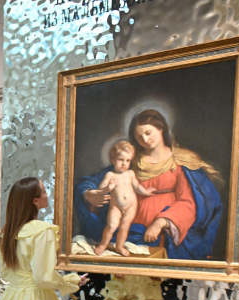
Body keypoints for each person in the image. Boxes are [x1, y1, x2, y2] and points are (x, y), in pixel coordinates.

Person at [76, 109, 223, 260]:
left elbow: (189, 201)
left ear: (161, 129)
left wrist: (162, 222)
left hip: (163, 232)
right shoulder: (130, 160)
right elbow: (97, 180)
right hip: (130, 230)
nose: (145, 139)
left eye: (148, 133)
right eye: (139, 137)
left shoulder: (182, 160)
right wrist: (89, 194)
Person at [93, 141, 154, 256]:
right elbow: (100, 190)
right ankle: (103, 245)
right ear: (112, 159)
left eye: (128, 160)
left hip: (131, 205)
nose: (124, 164)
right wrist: (108, 188)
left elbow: (137, 186)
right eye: (121, 160)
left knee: (125, 226)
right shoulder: (110, 175)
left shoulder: (130, 173)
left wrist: (145, 192)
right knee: (111, 226)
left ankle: (119, 246)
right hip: (116, 206)